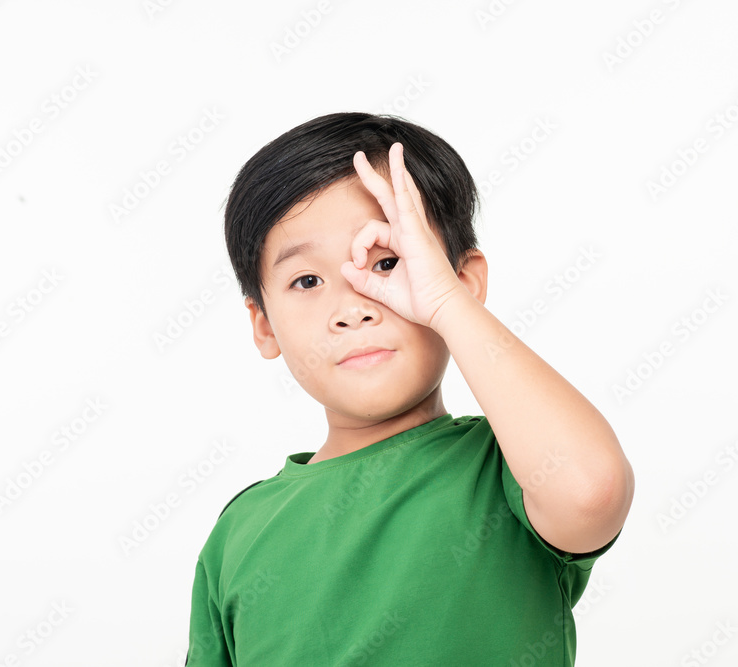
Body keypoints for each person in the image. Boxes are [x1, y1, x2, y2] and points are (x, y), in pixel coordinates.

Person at [185, 112, 635, 665]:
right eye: (307, 280)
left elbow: (591, 489)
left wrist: (446, 304)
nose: (350, 308)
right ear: (264, 325)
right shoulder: (239, 534)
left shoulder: (509, 471)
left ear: (461, 281)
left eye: (388, 262)